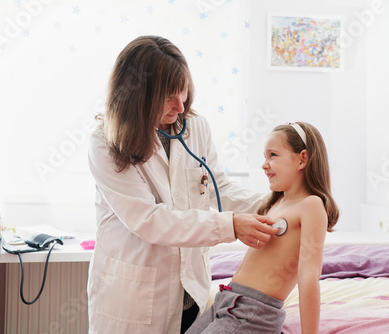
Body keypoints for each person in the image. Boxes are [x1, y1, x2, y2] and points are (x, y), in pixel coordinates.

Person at [87, 35, 277, 334]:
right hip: (135, 298)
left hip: (191, 292)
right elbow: (149, 221)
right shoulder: (105, 142)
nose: (180, 104)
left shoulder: (195, 126)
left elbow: (218, 188)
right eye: (167, 96)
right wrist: (231, 226)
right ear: (138, 94)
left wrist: (278, 203)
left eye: (183, 91)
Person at [186, 122, 339, 334]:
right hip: (227, 301)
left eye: (273, 155)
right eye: (264, 157)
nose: (264, 164)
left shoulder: (311, 205)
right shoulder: (275, 204)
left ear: (302, 158)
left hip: (252, 312)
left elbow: (308, 278)